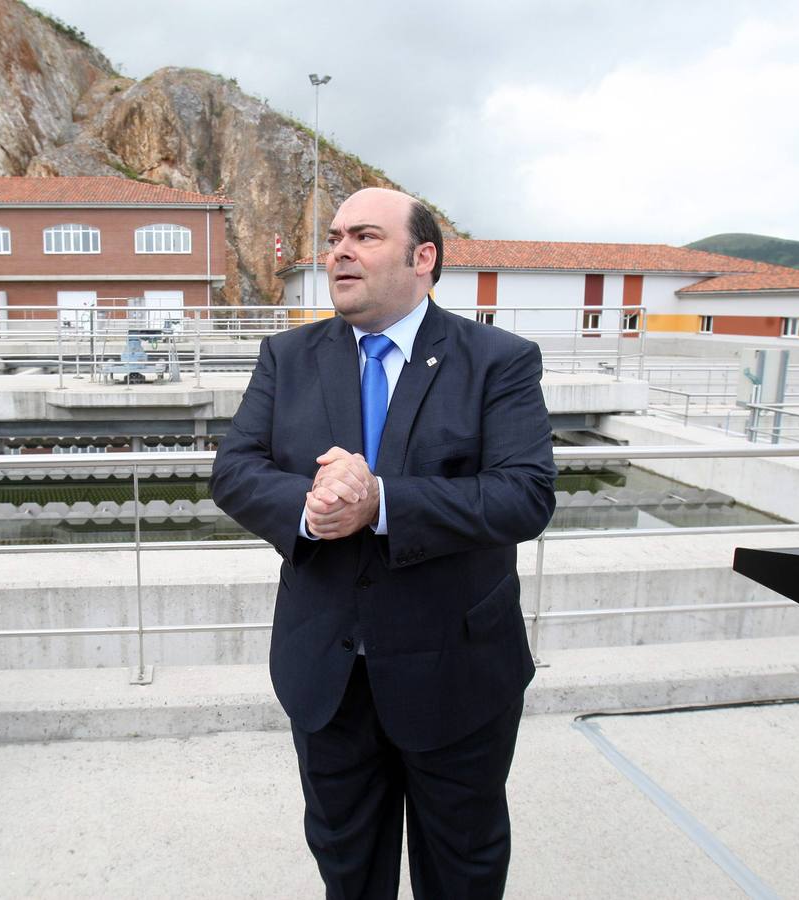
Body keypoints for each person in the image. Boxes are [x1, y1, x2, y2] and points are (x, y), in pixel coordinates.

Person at [210, 187, 557, 898]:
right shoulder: (287, 356)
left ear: (421, 257)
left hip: (457, 674)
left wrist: (383, 502)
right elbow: (235, 471)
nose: (339, 249)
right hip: (329, 681)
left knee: (462, 871)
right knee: (348, 872)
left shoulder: (499, 360)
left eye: (364, 236)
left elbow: (525, 494)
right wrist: (311, 509)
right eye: (335, 236)